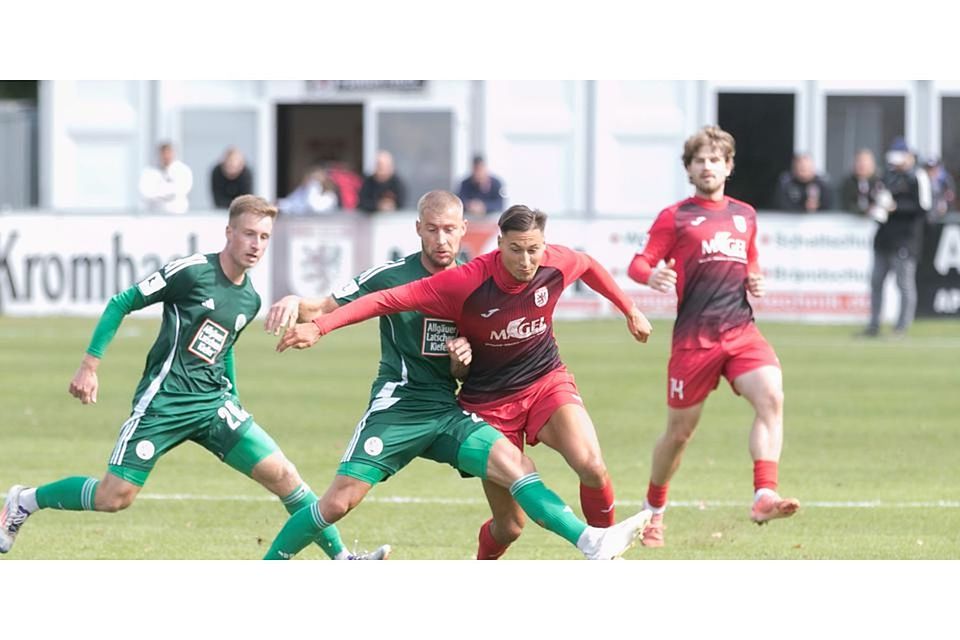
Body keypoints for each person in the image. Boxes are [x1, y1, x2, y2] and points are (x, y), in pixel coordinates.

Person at [261, 191, 652, 560]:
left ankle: (595, 544)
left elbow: (581, 265)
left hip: (456, 406)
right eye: (432, 229)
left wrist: (461, 360)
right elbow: (370, 302)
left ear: (465, 229)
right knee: (340, 501)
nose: (441, 238)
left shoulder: (488, 274)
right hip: (405, 406)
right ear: (419, 229)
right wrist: (310, 316)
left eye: (449, 229)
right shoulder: (446, 280)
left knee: (538, 467)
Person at [0, 195, 386, 560]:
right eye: (249, 233)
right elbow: (122, 302)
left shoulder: (249, 297)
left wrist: (233, 392)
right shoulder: (192, 272)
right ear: (229, 233)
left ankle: (342, 558)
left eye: (264, 237)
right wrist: (89, 366)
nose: (256, 244)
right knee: (113, 496)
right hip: (164, 403)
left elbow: (224, 345)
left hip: (215, 406)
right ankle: (25, 501)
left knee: (285, 476)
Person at [626, 125, 799, 548]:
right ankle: (653, 512)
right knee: (680, 434)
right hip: (694, 340)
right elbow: (638, 263)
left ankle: (763, 494)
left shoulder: (745, 215)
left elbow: (751, 259)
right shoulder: (676, 216)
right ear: (689, 169)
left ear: (728, 166)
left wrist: (754, 278)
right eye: (699, 160)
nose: (708, 166)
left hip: (741, 330)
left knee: (772, 397)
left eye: (715, 159)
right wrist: (653, 274)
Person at [862, 137, 932, 338]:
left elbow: (923, 208)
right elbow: (876, 197)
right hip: (883, 237)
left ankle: (901, 327)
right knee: (876, 282)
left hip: (905, 239)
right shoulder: (887, 175)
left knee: (904, 284)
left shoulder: (918, 177)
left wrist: (895, 208)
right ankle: (874, 324)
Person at [138, 142, 194, 214]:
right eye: (163, 153)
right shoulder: (150, 171)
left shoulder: (183, 170)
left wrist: (159, 191)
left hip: (178, 213)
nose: (166, 156)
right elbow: (145, 192)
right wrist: (167, 191)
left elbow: (182, 189)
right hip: (156, 214)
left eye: (169, 153)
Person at [840, 149, 887, 216]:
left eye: (865, 162)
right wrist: (864, 211)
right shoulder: (848, 183)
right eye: (859, 162)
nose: (862, 165)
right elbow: (846, 205)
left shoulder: (879, 182)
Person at [922, 156, 955, 221]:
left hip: (940, 215)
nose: (932, 171)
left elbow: (950, 196)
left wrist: (944, 202)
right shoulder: (922, 180)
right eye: (929, 168)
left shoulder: (945, 180)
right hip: (925, 216)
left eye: (934, 168)